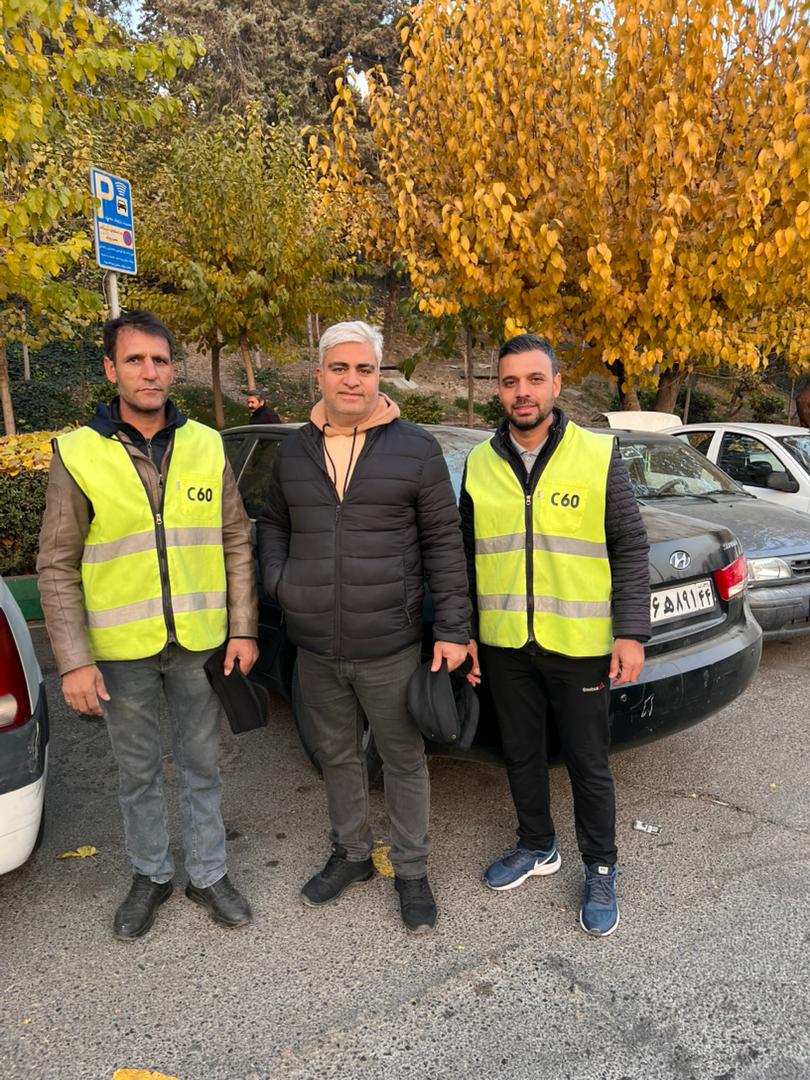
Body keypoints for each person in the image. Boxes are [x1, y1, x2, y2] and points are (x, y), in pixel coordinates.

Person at [37, 310, 259, 940]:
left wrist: (244, 628)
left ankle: (209, 874)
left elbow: (235, 540)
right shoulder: (78, 453)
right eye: (134, 360)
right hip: (120, 650)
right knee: (136, 773)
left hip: (199, 642)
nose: (149, 371)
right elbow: (56, 563)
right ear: (111, 369)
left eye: (160, 360)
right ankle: (151, 874)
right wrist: (74, 661)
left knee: (202, 765)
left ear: (173, 369)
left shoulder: (207, 444)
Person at [257, 320, 469, 932]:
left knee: (402, 758)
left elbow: (444, 543)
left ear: (379, 376)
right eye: (340, 368)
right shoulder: (294, 450)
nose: (352, 380)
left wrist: (453, 628)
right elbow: (273, 524)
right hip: (316, 644)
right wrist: (281, 582)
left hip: (390, 644)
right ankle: (350, 854)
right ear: (319, 374)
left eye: (365, 369)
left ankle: (411, 870)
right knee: (338, 755)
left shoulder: (415, 448)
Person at [460, 333, 650, 937]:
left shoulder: (597, 454)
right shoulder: (479, 463)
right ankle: (537, 845)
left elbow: (630, 546)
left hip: (580, 645)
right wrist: (466, 633)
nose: (523, 393)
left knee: (588, 763)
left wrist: (631, 633)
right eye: (510, 382)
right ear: (499, 390)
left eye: (534, 380)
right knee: (520, 752)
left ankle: (601, 866)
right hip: (505, 642)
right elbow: (465, 556)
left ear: (556, 385)